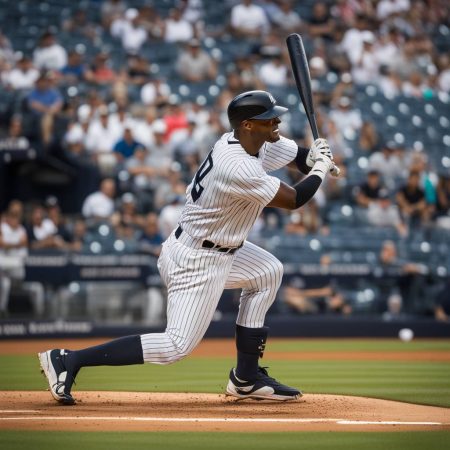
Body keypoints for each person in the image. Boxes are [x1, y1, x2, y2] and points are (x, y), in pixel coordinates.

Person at [38, 90, 336, 404]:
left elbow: (299, 157)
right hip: (196, 259)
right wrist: (320, 168)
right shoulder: (235, 165)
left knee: (267, 272)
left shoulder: (256, 141)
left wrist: (315, 156)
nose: (277, 121)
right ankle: (68, 360)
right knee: (175, 346)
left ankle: (246, 377)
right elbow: (294, 200)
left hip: (222, 248)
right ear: (248, 124)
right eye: (268, 118)